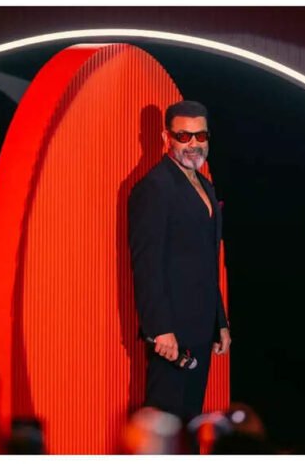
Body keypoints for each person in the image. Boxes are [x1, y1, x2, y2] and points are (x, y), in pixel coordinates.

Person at [127, 100, 232, 424]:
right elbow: (147, 265)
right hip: (171, 332)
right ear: (166, 137)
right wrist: (160, 329)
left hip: (200, 326)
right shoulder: (155, 188)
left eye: (201, 136)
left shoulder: (205, 185)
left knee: (189, 424)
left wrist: (220, 321)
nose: (193, 144)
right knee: (164, 427)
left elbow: (205, 262)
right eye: (184, 136)